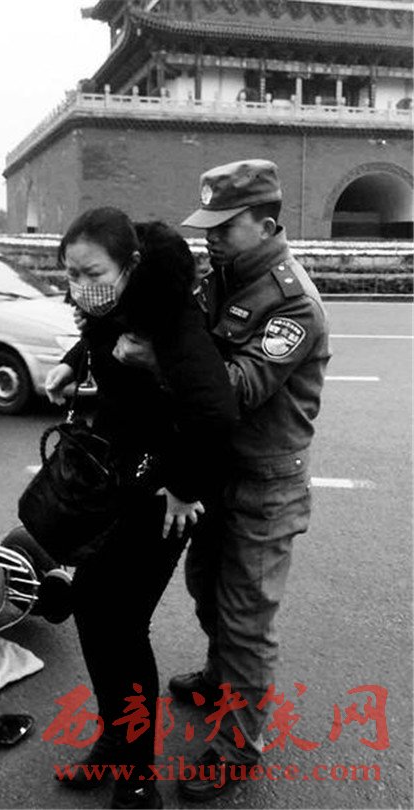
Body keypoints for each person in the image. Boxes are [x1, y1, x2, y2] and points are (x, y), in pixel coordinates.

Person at [116, 159, 331, 801]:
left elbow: (234, 389)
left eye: (224, 227)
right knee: (206, 588)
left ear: (266, 224)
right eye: (206, 226)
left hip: (265, 484)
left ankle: (239, 745)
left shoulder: (291, 303)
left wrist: (157, 359)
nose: (210, 238)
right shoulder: (222, 277)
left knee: (245, 620)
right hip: (216, 470)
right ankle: (219, 678)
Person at [44, 208, 238, 809]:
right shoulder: (114, 304)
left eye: (92, 273)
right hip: (125, 477)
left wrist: (184, 487)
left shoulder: (169, 318)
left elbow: (216, 413)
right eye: (71, 273)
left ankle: (136, 778)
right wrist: (73, 362)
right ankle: (115, 742)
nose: (82, 286)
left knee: (121, 625)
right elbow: (97, 333)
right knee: (92, 608)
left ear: (131, 265)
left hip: (168, 494)